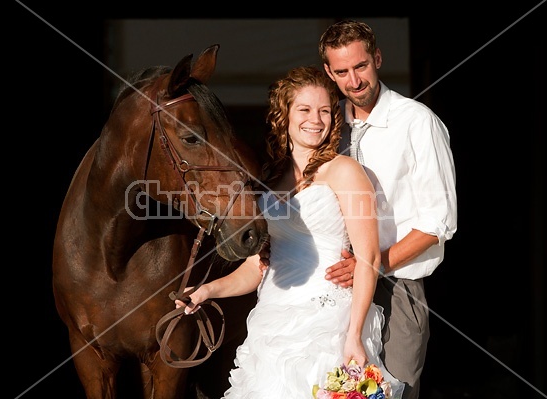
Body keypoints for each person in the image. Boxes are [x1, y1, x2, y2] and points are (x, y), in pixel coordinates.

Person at [177, 66, 404, 398]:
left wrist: (354, 335)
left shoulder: (345, 171)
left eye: (325, 110)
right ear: (283, 115)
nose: (316, 119)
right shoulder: (268, 179)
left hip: (329, 324)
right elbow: (261, 265)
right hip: (272, 323)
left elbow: (368, 258)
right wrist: (207, 290)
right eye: (305, 109)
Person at [318, 20, 458, 399]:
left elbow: (438, 222)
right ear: (330, 73)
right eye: (342, 71)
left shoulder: (418, 122)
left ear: (377, 59)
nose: (354, 80)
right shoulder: (326, 129)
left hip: (399, 290)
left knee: (393, 394)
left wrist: (372, 264)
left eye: (361, 66)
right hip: (334, 290)